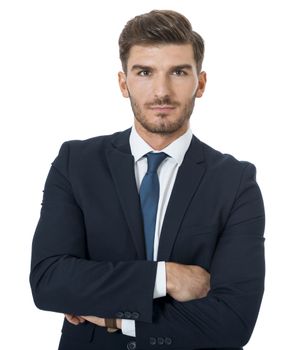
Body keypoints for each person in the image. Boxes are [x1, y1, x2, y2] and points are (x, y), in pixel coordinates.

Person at [29, 9, 265, 350]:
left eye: (179, 72)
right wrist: (164, 277)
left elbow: (233, 323)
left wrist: (114, 316)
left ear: (200, 83)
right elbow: (49, 281)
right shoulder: (75, 164)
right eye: (144, 72)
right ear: (124, 83)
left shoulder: (235, 182)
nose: (161, 91)